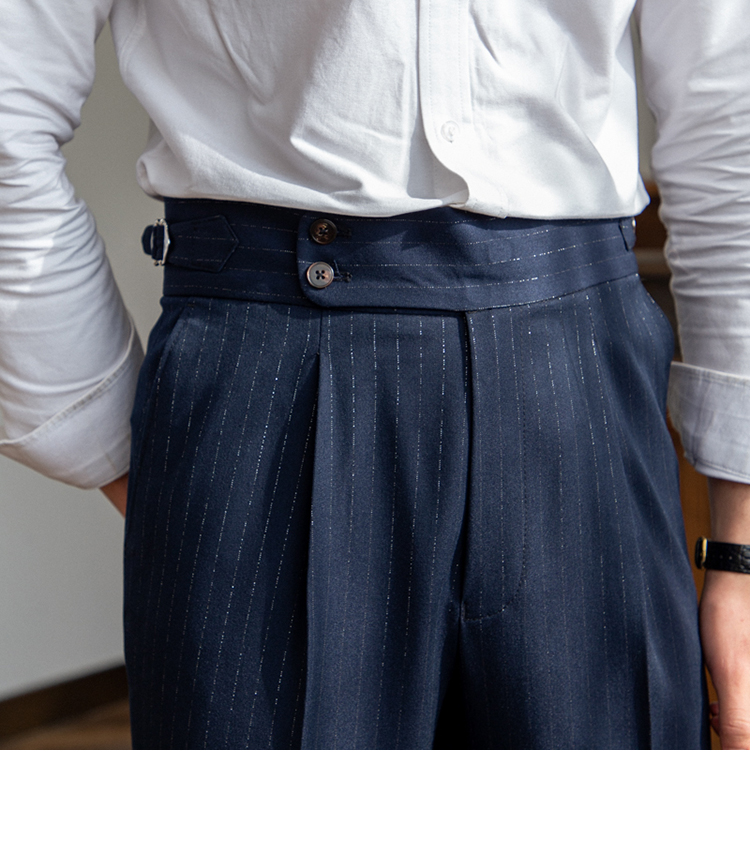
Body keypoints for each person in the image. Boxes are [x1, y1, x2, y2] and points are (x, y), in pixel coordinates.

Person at [1, 0, 749, 749]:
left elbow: (727, 116)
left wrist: (740, 551)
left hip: (582, 387)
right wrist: (105, 436)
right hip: (267, 384)